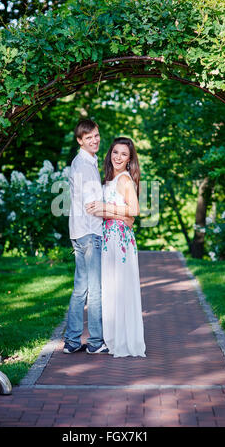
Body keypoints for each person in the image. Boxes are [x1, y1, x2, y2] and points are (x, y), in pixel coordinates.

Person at [63, 120, 134, 355]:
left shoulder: (86, 162)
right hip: (90, 232)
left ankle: (72, 342)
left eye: (96, 136)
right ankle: (94, 342)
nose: (94, 140)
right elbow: (92, 206)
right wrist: (116, 210)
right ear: (79, 141)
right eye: (89, 137)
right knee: (94, 289)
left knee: (80, 288)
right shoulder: (84, 165)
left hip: (80, 231)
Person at [86, 137, 146, 358]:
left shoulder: (124, 180)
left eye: (123, 154)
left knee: (121, 289)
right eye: (115, 152)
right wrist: (103, 211)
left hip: (119, 240)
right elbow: (123, 215)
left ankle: (123, 340)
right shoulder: (109, 179)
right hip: (109, 236)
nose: (118, 157)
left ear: (130, 160)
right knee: (111, 289)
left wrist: (104, 207)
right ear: (110, 154)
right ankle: (113, 338)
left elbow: (134, 212)